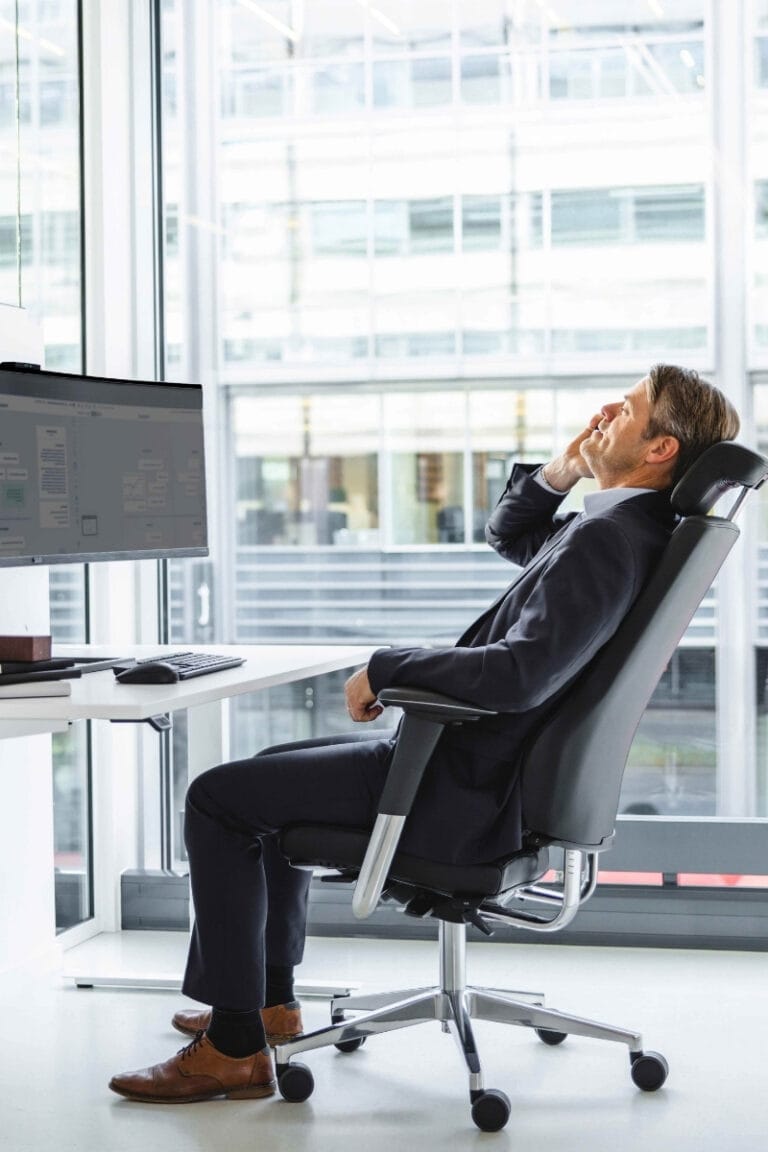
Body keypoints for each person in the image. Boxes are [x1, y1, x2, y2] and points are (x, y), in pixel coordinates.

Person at [109, 364, 739, 1104]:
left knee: (219, 798)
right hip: (484, 778)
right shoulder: (625, 527)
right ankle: (266, 1003)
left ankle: (234, 1047)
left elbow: (520, 673)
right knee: (274, 771)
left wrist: (386, 666)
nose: (605, 411)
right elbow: (511, 535)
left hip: (460, 789)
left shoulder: (607, 541)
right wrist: (565, 468)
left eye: (626, 408)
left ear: (660, 449)